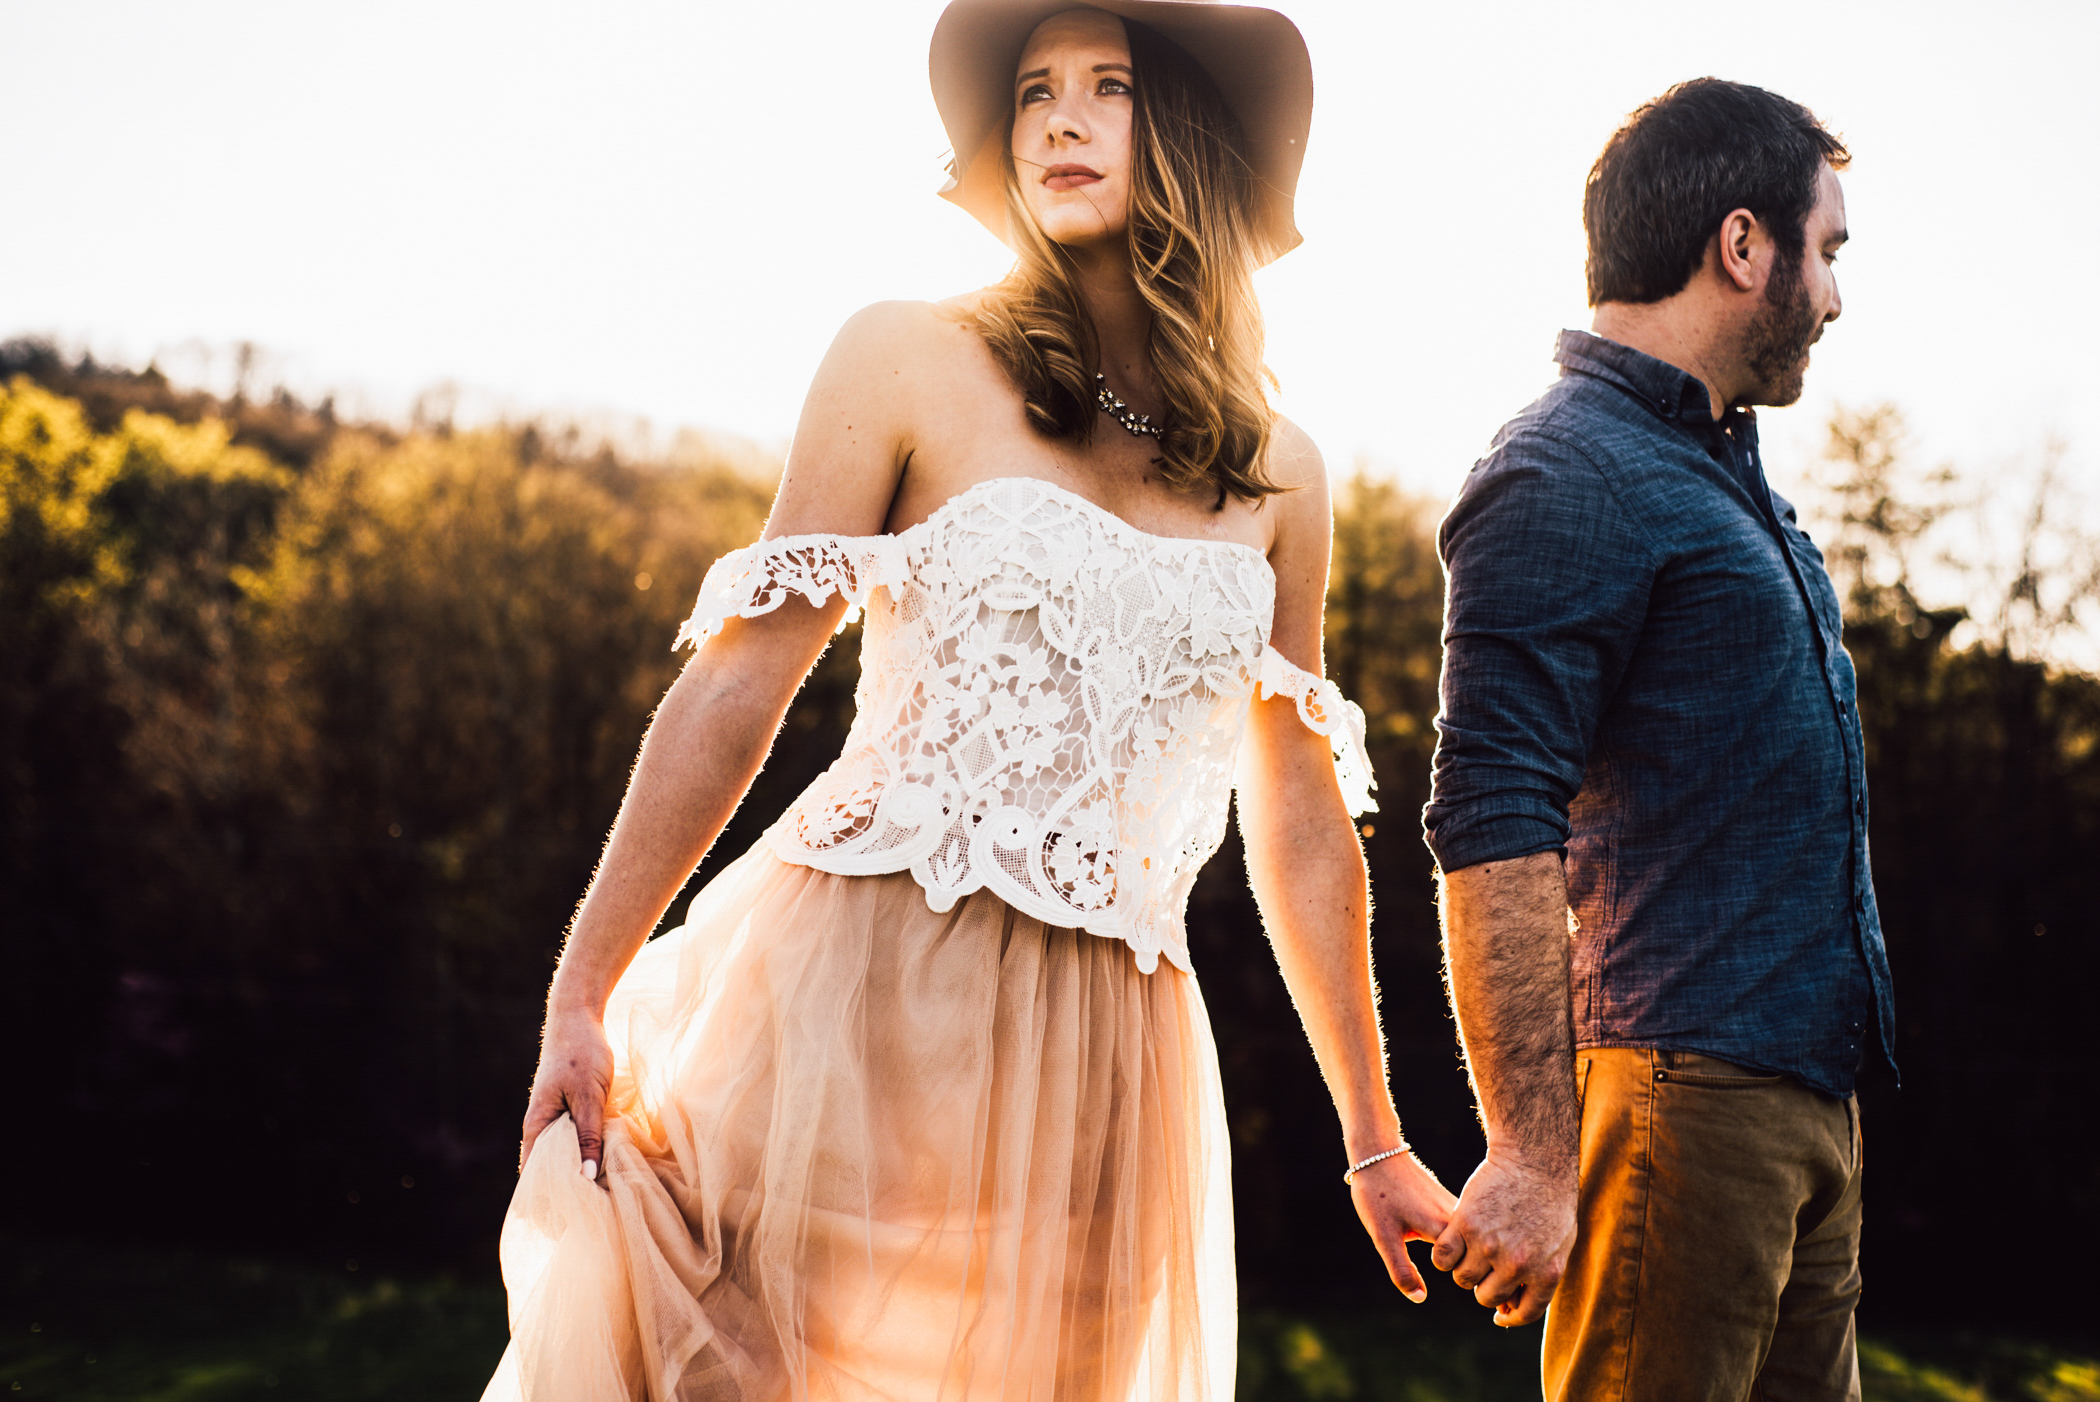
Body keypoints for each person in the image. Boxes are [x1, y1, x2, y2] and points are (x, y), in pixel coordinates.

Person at [479, 4, 1455, 1399]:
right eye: (1036, 90)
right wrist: (584, 988)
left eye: (1107, 85)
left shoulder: (1286, 476)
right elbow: (744, 674)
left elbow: (1297, 820)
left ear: (1187, 129)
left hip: (1111, 1063)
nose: (1058, 116)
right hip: (852, 993)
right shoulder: (904, 357)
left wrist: (1374, 1134)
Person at [1421, 79, 1895, 1400]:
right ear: (1744, 247)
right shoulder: (1566, 468)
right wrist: (1528, 1148)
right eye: (1830, 250)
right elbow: (1495, 807)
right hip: (1684, 1105)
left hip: (1801, 1104)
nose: (1838, 294)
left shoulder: (1726, 480)